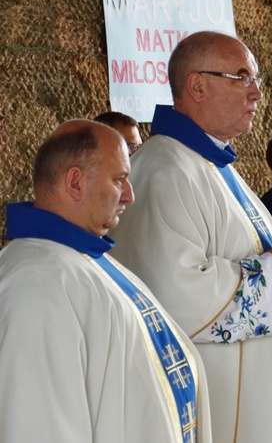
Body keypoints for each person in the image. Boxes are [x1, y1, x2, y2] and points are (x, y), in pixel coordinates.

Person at [109, 31, 272, 443]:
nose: (257, 93)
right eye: (242, 76)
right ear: (197, 85)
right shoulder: (164, 170)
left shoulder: (213, 164)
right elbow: (172, 296)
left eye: (256, 79)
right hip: (224, 406)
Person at [0, 120, 211, 442]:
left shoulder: (84, 259)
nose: (130, 195)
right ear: (75, 182)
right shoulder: (35, 286)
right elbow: (38, 426)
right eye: (120, 180)